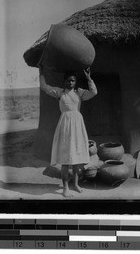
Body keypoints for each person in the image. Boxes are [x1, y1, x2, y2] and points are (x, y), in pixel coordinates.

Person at [38, 65, 97, 197]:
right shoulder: (60, 93)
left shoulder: (79, 93)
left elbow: (94, 92)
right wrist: (41, 73)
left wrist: (88, 78)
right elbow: (45, 87)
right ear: (64, 81)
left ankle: (75, 184)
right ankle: (65, 188)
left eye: (73, 80)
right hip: (65, 125)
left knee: (76, 158)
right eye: (68, 80)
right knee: (66, 159)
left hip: (78, 125)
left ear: (75, 82)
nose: (70, 82)